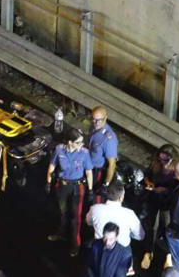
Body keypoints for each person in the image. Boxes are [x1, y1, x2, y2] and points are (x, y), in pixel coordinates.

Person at [46, 128, 94, 257]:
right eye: (78, 142)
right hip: (62, 185)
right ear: (70, 142)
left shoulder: (84, 153)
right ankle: (61, 233)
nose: (81, 145)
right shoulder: (59, 150)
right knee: (62, 212)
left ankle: (75, 244)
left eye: (82, 142)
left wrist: (90, 190)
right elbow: (52, 166)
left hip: (77, 188)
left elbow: (89, 172)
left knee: (75, 218)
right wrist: (48, 182)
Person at [140, 144, 179, 270]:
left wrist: (165, 190)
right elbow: (147, 175)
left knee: (168, 227)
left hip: (168, 203)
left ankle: (169, 254)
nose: (163, 162)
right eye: (160, 158)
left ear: (173, 158)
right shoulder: (156, 164)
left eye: (166, 160)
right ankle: (148, 252)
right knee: (152, 226)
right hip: (155, 199)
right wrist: (148, 182)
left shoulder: (177, 169)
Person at [86, 181, 143, 252]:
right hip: (121, 253)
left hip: (99, 250)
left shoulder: (94, 209)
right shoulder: (130, 214)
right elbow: (140, 236)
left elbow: (88, 222)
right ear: (121, 198)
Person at [88, 106, 119, 204]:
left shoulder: (108, 139)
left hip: (99, 173)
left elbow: (112, 164)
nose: (95, 122)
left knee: (96, 200)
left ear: (105, 118)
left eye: (98, 120)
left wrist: (106, 184)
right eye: (93, 119)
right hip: (90, 168)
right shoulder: (93, 127)